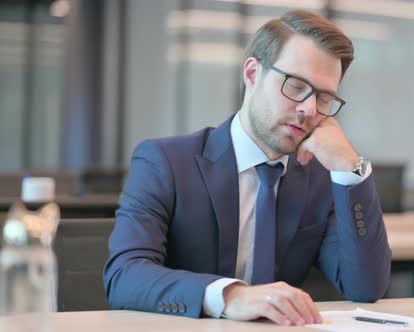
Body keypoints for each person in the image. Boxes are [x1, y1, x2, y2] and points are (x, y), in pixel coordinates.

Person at [103, 9, 391, 326]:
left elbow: (365, 288)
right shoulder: (165, 162)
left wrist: (350, 168)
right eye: (295, 86)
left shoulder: (323, 178)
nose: (309, 109)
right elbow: (125, 275)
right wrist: (231, 296)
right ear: (252, 74)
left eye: (323, 97)